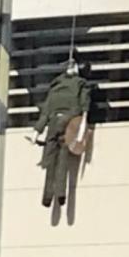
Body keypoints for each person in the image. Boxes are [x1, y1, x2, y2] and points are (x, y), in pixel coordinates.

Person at [34, 59, 91, 208]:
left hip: (55, 122)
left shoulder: (55, 87)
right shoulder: (80, 84)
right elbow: (84, 109)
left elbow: (45, 113)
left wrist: (36, 132)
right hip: (68, 122)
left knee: (51, 159)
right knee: (62, 160)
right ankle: (60, 194)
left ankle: (49, 196)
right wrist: (80, 133)